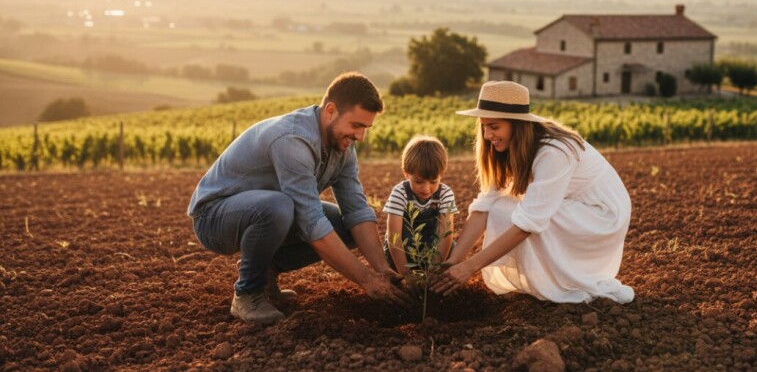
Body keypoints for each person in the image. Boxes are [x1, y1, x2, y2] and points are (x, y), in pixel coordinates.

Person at [187, 72, 411, 324]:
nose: (360, 136)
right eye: (356, 125)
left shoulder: (343, 146)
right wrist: (366, 280)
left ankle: (266, 274)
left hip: (265, 211)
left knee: (343, 225)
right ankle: (247, 293)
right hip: (214, 217)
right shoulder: (293, 140)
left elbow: (357, 210)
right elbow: (311, 221)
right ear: (330, 111)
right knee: (278, 207)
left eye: (366, 128)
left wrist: (384, 271)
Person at [432, 80, 634, 304]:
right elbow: (483, 208)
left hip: (601, 217)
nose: (488, 135)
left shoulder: (553, 152)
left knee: (509, 211)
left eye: (495, 126)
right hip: (572, 209)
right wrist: (452, 263)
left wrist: (469, 267)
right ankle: (540, 281)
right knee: (500, 207)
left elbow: (528, 223)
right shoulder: (506, 149)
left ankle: (552, 285)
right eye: (484, 126)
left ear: (517, 125)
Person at [383, 136, 458, 282]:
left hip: (432, 248)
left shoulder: (445, 194)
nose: (426, 188)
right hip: (402, 252)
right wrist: (406, 274)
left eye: (433, 181)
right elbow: (394, 238)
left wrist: (434, 270)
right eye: (418, 181)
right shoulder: (400, 193)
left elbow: (445, 234)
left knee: (453, 247)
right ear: (406, 174)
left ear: (441, 174)